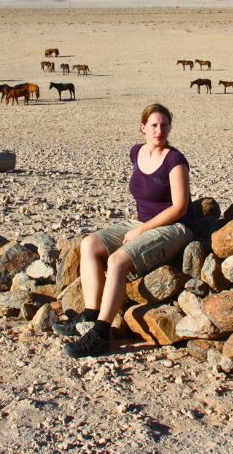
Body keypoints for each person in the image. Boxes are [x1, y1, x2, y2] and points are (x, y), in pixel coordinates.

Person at [53, 103, 196, 357]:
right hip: (141, 221)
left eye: (164, 125)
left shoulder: (175, 161)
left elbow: (180, 207)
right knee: (89, 244)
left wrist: (143, 230)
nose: (159, 130)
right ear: (143, 128)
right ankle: (89, 315)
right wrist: (141, 227)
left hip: (173, 227)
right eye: (154, 125)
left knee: (117, 260)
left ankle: (100, 334)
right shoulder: (136, 153)